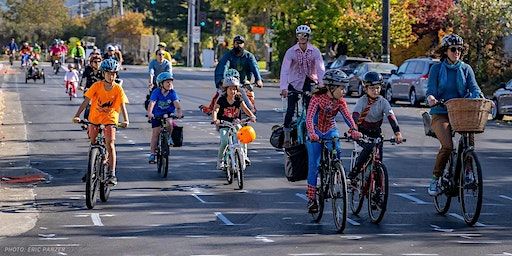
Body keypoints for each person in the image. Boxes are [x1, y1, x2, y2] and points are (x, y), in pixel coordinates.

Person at [425, 33, 482, 196]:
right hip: (441, 112)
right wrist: (431, 98)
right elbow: (430, 90)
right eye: (453, 49)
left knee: (469, 142)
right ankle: (435, 179)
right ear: (445, 51)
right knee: (448, 146)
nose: (457, 52)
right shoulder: (436, 68)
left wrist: (480, 96)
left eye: (459, 49)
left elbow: (475, 88)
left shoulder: (466, 68)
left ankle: (469, 171)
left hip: (461, 112)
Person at [305, 69, 361, 213]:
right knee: (314, 164)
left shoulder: (340, 101)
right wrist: (311, 133)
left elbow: (348, 117)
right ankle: (312, 199)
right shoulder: (317, 98)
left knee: (337, 149)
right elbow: (309, 118)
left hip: (330, 129)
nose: (344, 91)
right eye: (341, 88)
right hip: (316, 131)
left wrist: (354, 129)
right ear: (331, 87)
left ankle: (335, 173)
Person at [73, 59, 129, 186]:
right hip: (95, 118)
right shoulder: (96, 86)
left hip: (110, 119)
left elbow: (122, 106)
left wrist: (126, 120)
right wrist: (77, 115)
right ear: (103, 73)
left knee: (110, 143)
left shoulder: (118, 89)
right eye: (109, 73)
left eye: (114, 73)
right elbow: (86, 102)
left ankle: (111, 173)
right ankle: (91, 168)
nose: (111, 76)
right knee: (93, 142)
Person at [347, 71, 403, 180]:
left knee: (378, 159)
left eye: (377, 88)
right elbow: (355, 116)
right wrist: (354, 131)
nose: (375, 91)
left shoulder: (384, 102)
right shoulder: (362, 101)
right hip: (362, 132)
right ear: (365, 89)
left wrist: (397, 133)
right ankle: (353, 174)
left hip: (376, 132)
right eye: (372, 88)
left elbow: (391, 117)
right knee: (368, 148)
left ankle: (378, 187)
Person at [280, 25, 326, 148]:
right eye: (299, 35)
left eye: (304, 35)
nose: (302, 37)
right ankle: (287, 135)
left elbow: (320, 69)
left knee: (313, 108)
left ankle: (316, 131)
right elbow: (285, 70)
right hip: (294, 82)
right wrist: (284, 87)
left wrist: (321, 85)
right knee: (290, 109)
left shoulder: (315, 51)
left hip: (310, 83)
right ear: (297, 36)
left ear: (308, 37)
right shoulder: (291, 52)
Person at [203, 35, 263, 115]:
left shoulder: (249, 56)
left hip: (244, 82)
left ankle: (251, 108)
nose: (238, 45)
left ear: (244, 44)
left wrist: (258, 80)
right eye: (236, 43)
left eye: (241, 43)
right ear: (233, 44)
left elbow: (254, 67)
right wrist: (221, 80)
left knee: (248, 93)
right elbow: (223, 67)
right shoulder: (228, 55)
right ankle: (212, 108)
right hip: (230, 82)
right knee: (220, 92)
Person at [212, 76, 257, 170]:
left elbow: (245, 108)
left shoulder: (238, 98)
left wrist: (252, 116)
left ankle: (244, 156)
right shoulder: (222, 99)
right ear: (226, 89)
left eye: (235, 89)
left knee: (243, 138)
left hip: (236, 123)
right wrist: (215, 119)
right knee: (224, 141)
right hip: (224, 124)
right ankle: (220, 160)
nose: (233, 91)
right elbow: (215, 110)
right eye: (230, 89)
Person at [146, 71, 183, 163]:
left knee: (170, 123)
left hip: (168, 114)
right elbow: (152, 103)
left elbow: (177, 104)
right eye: (167, 82)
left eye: (170, 82)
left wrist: (179, 113)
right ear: (161, 83)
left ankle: (169, 138)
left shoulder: (172, 93)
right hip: (157, 114)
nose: (169, 84)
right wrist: (150, 113)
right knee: (156, 133)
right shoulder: (156, 92)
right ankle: (152, 154)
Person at [79, 55, 104, 125]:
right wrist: (81, 86)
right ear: (91, 63)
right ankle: (86, 121)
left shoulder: (103, 70)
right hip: (89, 90)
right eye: (95, 62)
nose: (97, 63)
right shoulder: (87, 69)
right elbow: (83, 78)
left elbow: (106, 80)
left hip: (100, 91)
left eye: (99, 61)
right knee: (88, 105)